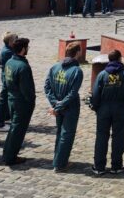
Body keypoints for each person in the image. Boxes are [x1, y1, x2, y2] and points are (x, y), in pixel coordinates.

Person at [91, 49, 124, 175]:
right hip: (120, 108)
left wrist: (97, 108)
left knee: (101, 137)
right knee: (118, 137)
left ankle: (99, 166)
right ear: (120, 59)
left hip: (103, 109)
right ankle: (116, 166)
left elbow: (95, 94)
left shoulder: (102, 75)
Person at [44, 42, 84, 173]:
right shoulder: (77, 71)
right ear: (77, 52)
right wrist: (59, 106)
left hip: (58, 106)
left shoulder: (54, 67)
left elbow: (47, 87)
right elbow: (73, 93)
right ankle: (60, 164)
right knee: (67, 134)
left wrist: (55, 104)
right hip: (70, 107)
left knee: (60, 133)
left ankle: (58, 158)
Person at [3, 38, 36, 166]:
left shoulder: (9, 62)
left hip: (11, 99)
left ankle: (7, 153)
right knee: (18, 130)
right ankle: (10, 157)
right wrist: (31, 101)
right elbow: (27, 90)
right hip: (21, 103)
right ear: (23, 49)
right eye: (27, 47)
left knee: (14, 128)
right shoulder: (22, 67)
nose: (28, 49)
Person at [0, 31, 18, 132]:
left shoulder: (8, 49)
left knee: (6, 97)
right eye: (16, 39)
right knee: (3, 99)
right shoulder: (8, 52)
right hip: (7, 77)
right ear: (11, 41)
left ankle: (6, 117)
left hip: (6, 76)